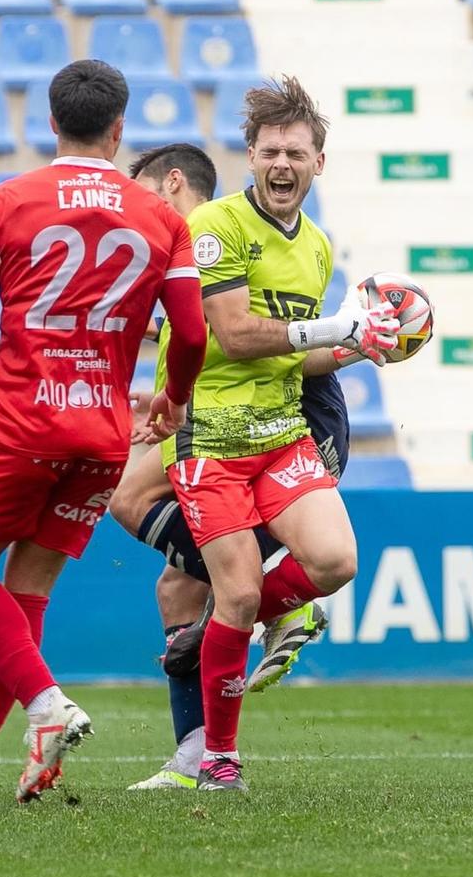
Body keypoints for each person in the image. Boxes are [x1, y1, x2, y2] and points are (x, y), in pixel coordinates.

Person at [0, 60, 209, 806]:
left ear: (51, 123)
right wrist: (170, 398)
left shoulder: (10, 200)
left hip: (22, 420)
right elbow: (194, 333)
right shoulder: (161, 218)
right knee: (27, 591)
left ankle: (46, 703)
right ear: (118, 129)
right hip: (104, 433)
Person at [161, 76, 398, 791]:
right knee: (232, 595)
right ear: (250, 156)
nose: (283, 164)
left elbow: (300, 353)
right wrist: (334, 326)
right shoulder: (216, 227)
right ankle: (221, 758)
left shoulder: (318, 247)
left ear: (318, 162)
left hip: (281, 434)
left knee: (334, 560)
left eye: (296, 151)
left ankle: (219, 642)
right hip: (212, 443)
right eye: (271, 151)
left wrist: (365, 344)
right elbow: (232, 336)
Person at [113, 143, 358, 790]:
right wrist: (164, 389)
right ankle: (203, 749)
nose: (135, 212)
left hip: (295, 416)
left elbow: (231, 334)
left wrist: (351, 341)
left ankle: (276, 607)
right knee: (179, 587)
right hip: (219, 420)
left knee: (130, 500)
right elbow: (186, 333)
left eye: (143, 196)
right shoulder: (190, 249)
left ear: (172, 185)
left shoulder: (215, 236)